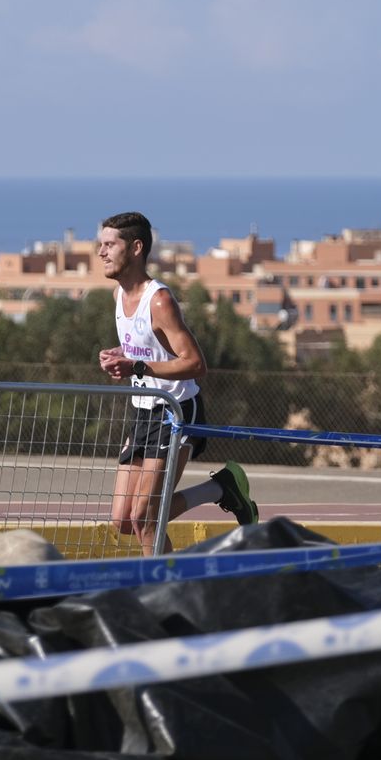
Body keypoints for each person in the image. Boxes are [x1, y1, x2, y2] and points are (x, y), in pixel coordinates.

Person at [96, 211, 258, 555]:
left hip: (176, 411)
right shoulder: (117, 297)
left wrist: (136, 364)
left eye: (110, 244)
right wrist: (120, 357)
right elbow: (148, 349)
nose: (101, 252)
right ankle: (221, 489)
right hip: (142, 410)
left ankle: (168, 593)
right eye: (101, 245)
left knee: (146, 518)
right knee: (124, 521)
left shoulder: (160, 300)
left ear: (136, 248)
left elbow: (195, 364)